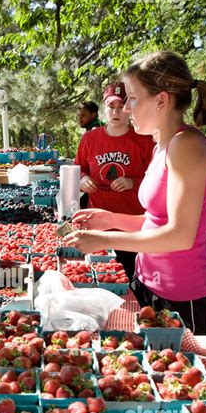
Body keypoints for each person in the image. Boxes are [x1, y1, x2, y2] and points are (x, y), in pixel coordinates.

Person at [68, 51, 206, 335]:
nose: (126, 109)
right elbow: (156, 220)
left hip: (181, 296)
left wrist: (104, 238)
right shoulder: (164, 144)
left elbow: (180, 235)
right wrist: (110, 218)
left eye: (133, 99)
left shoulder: (186, 145)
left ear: (161, 101)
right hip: (151, 285)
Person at [74, 82, 154, 280]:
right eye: (111, 106)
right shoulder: (89, 139)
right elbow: (78, 169)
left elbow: (157, 179)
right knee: (100, 279)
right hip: (98, 226)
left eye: (121, 106)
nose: (116, 112)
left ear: (129, 108)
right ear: (104, 108)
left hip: (133, 228)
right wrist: (83, 179)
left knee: (130, 281)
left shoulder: (144, 139)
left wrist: (132, 182)